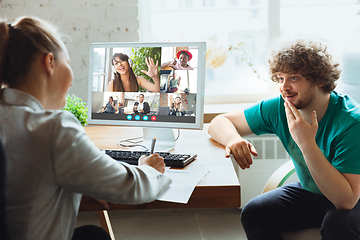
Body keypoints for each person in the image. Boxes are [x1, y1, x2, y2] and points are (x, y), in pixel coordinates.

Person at [0, 16, 171, 240]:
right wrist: (149, 167)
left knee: (93, 234)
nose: (71, 77)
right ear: (50, 63)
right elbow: (132, 188)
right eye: (68, 63)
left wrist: (86, 181)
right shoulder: (54, 129)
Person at [208, 39, 360, 239]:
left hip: (352, 196)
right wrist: (232, 140)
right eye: (280, 78)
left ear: (319, 79)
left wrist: (306, 142)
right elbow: (219, 122)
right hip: (312, 193)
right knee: (253, 212)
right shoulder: (280, 106)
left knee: (337, 224)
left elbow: (346, 201)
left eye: (294, 78)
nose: (284, 87)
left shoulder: (351, 123)